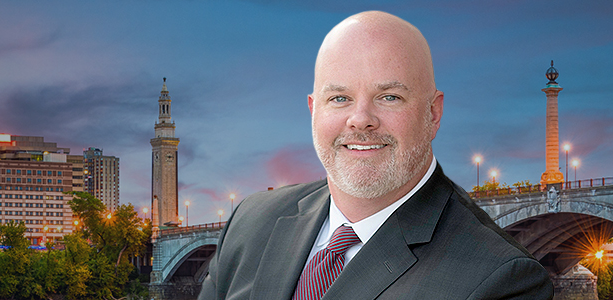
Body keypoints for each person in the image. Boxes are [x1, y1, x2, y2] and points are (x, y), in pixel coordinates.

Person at [198, 11, 553, 300]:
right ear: (313, 110)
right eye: (339, 98)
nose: (360, 120)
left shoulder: (499, 279)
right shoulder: (251, 222)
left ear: (433, 113)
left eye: (389, 97)